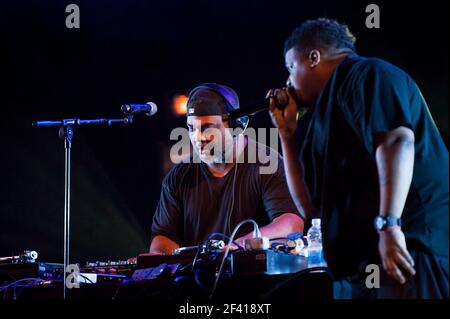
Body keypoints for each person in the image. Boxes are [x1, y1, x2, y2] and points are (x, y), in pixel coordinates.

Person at [268, 18, 448, 299]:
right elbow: (311, 208)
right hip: (362, 265)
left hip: (408, 248)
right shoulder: (326, 114)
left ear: (313, 57)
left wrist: (389, 224)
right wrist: (287, 134)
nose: (288, 82)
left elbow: (397, 142)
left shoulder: (365, 74)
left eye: (291, 67)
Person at [150, 83, 303, 254]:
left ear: (236, 126)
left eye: (207, 128)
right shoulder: (178, 177)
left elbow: (291, 222)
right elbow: (162, 238)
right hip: (198, 279)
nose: (198, 138)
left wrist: (241, 244)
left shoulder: (267, 163)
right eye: (191, 129)